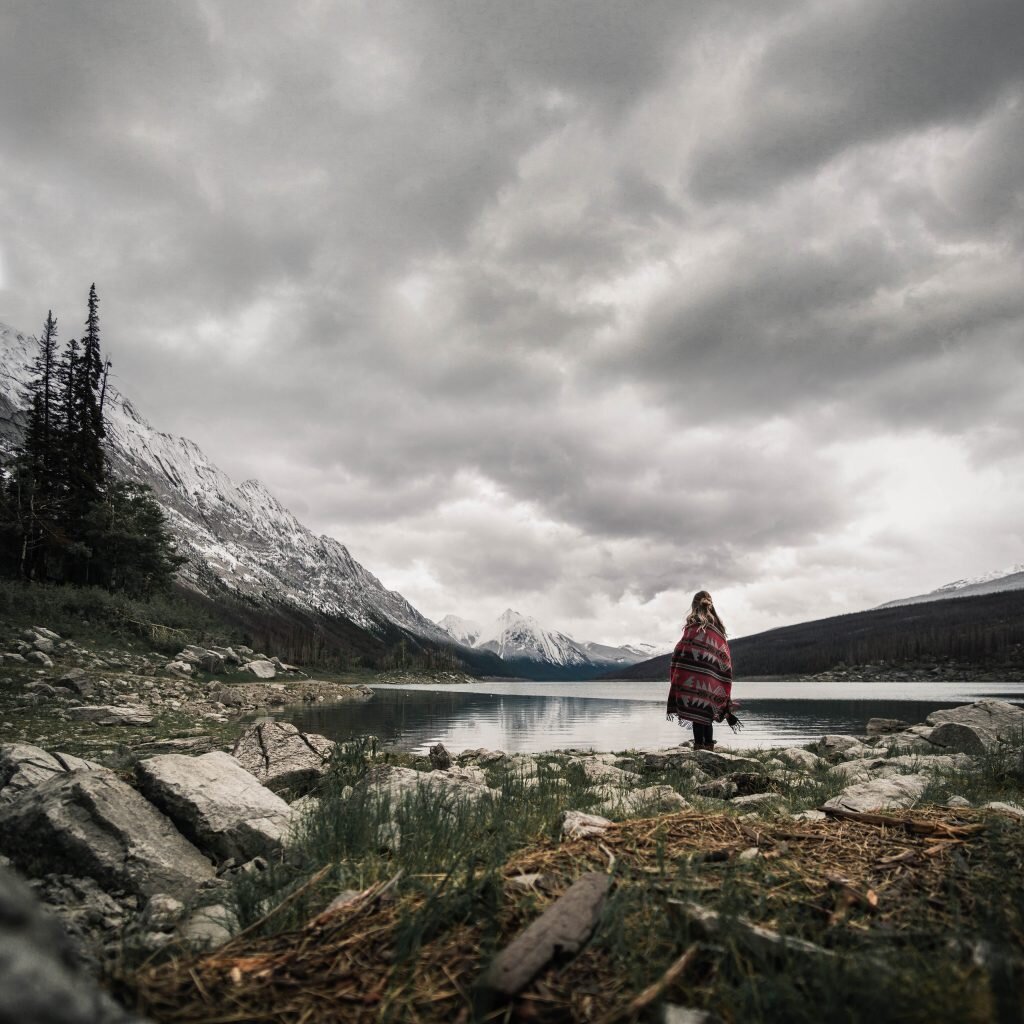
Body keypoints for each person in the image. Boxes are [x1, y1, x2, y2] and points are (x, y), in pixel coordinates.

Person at [666, 591, 739, 750]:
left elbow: (681, 650)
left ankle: (699, 749)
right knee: (707, 715)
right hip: (712, 680)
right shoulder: (718, 628)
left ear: (694, 605)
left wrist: (677, 663)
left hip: (693, 680)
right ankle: (709, 748)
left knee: (696, 715)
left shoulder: (693, 626)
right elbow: (724, 658)